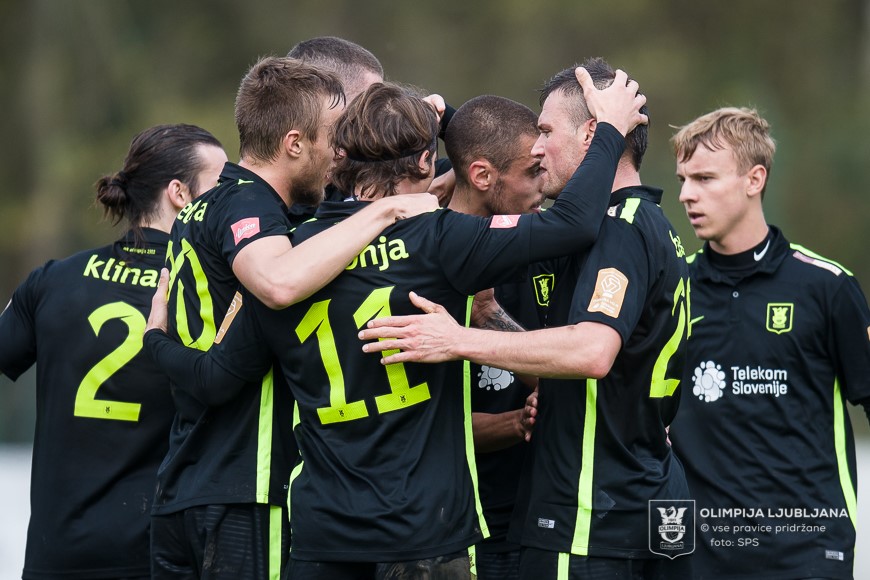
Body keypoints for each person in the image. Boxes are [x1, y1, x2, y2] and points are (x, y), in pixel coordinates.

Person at [144, 74, 645, 579]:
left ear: (338, 157)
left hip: (322, 537)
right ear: (426, 163)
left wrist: (156, 341)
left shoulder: (290, 254)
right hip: (423, 532)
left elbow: (216, 378)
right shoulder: (439, 238)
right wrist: (609, 129)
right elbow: (573, 223)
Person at [359, 57, 693, 580]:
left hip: (591, 514)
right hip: (635, 495)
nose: (536, 147)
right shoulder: (642, 223)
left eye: (546, 131)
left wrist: (456, 338)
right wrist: (490, 315)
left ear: (593, 133)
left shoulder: (619, 229)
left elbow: (591, 351)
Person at [152, 57, 437, 580]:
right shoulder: (252, 207)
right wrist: (386, 210)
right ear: (295, 144)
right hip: (248, 485)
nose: (341, 153)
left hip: (187, 483)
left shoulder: (205, 207)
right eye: (333, 138)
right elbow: (279, 283)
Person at [0, 124, 227, 580]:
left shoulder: (52, 279)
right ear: (179, 194)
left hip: (54, 556)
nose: (231, 202)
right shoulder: (205, 294)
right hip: (154, 556)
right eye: (220, 188)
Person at [667, 107, 870, 579]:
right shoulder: (672, 289)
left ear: (754, 179)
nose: (686, 194)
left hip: (807, 553)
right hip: (698, 557)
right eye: (683, 179)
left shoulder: (827, 287)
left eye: (704, 178)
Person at [444, 93, 546, 580]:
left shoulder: (545, 247)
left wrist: (488, 316)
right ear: (483, 176)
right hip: (450, 525)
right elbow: (432, 426)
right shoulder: (421, 261)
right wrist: (515, 423)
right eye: (532, 171)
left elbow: (564, 383)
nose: (544, 183)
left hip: (531, 517)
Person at [285, 35, 455, 227]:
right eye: (365, 106)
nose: (378, 114)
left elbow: (482, 157)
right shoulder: (267, 199)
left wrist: (442, 117)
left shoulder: (385, 167)